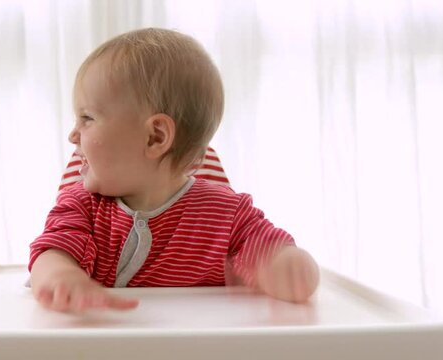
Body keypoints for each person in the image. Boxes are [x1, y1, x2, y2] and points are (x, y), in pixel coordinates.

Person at [29, 28, 319, 313]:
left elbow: (271, 254)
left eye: (87, 118)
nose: (73, 135)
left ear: (155, 137)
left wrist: (289, 268)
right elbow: (51, 254)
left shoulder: (227, 216)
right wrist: (60, 277)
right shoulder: (81, 207)